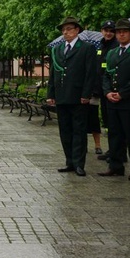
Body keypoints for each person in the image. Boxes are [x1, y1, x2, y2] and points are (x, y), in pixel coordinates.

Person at [97, 19, 130, 180]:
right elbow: (106, 75)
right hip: (112, 101)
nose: (121, 34)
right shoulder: (111, 53)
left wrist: (122, 94)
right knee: (115, 135)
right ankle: (115, 165)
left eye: (125, 31)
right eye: (119, 31)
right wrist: (107, 93)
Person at [46, 17, 96, 177]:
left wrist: (86, 94)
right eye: (63, 30)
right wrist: (50, 94)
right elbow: (53, 73)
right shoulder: (58, 49)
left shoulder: (86, 48)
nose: (65, 32)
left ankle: (79, 164)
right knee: (65, 131)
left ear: (76, 30)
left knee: (79, 131)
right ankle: (69, 161)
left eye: (68, 29)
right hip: (62, 96)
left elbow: (90, 73)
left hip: (78, 97)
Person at [95, 20, 118, 160]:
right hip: (102, 91)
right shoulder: (101, 46)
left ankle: (116, 152)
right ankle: (111, 150)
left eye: (111, 31)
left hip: (112, 91)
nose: (108, 33)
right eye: (106, 30)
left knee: (114, 123)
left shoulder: (115, 46)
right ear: (101, 31)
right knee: (107, 122)